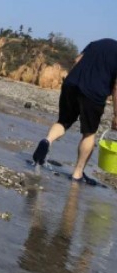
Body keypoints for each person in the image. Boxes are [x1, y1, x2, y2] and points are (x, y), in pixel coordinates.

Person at [32, 38, 117, 183]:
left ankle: (47, 140)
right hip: (94, 93)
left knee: (63, 121)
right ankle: (77, 174)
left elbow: (77, 60)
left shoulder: (98, 43)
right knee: (89, 133)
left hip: (71, 84)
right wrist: (116, 115)